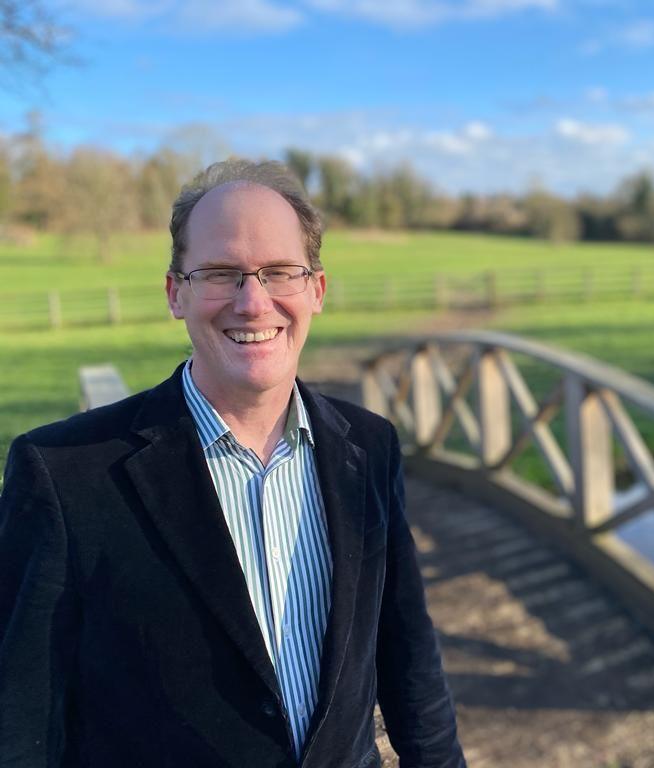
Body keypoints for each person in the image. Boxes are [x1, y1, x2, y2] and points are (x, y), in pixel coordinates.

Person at [0, 160, 466, 768]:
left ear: (316, 291)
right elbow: (21, 718)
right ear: (176, 293)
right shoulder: (64, 473)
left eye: (280, 272)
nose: (253, 302)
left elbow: (408, 653)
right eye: (222, 273)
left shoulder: (370, 446)